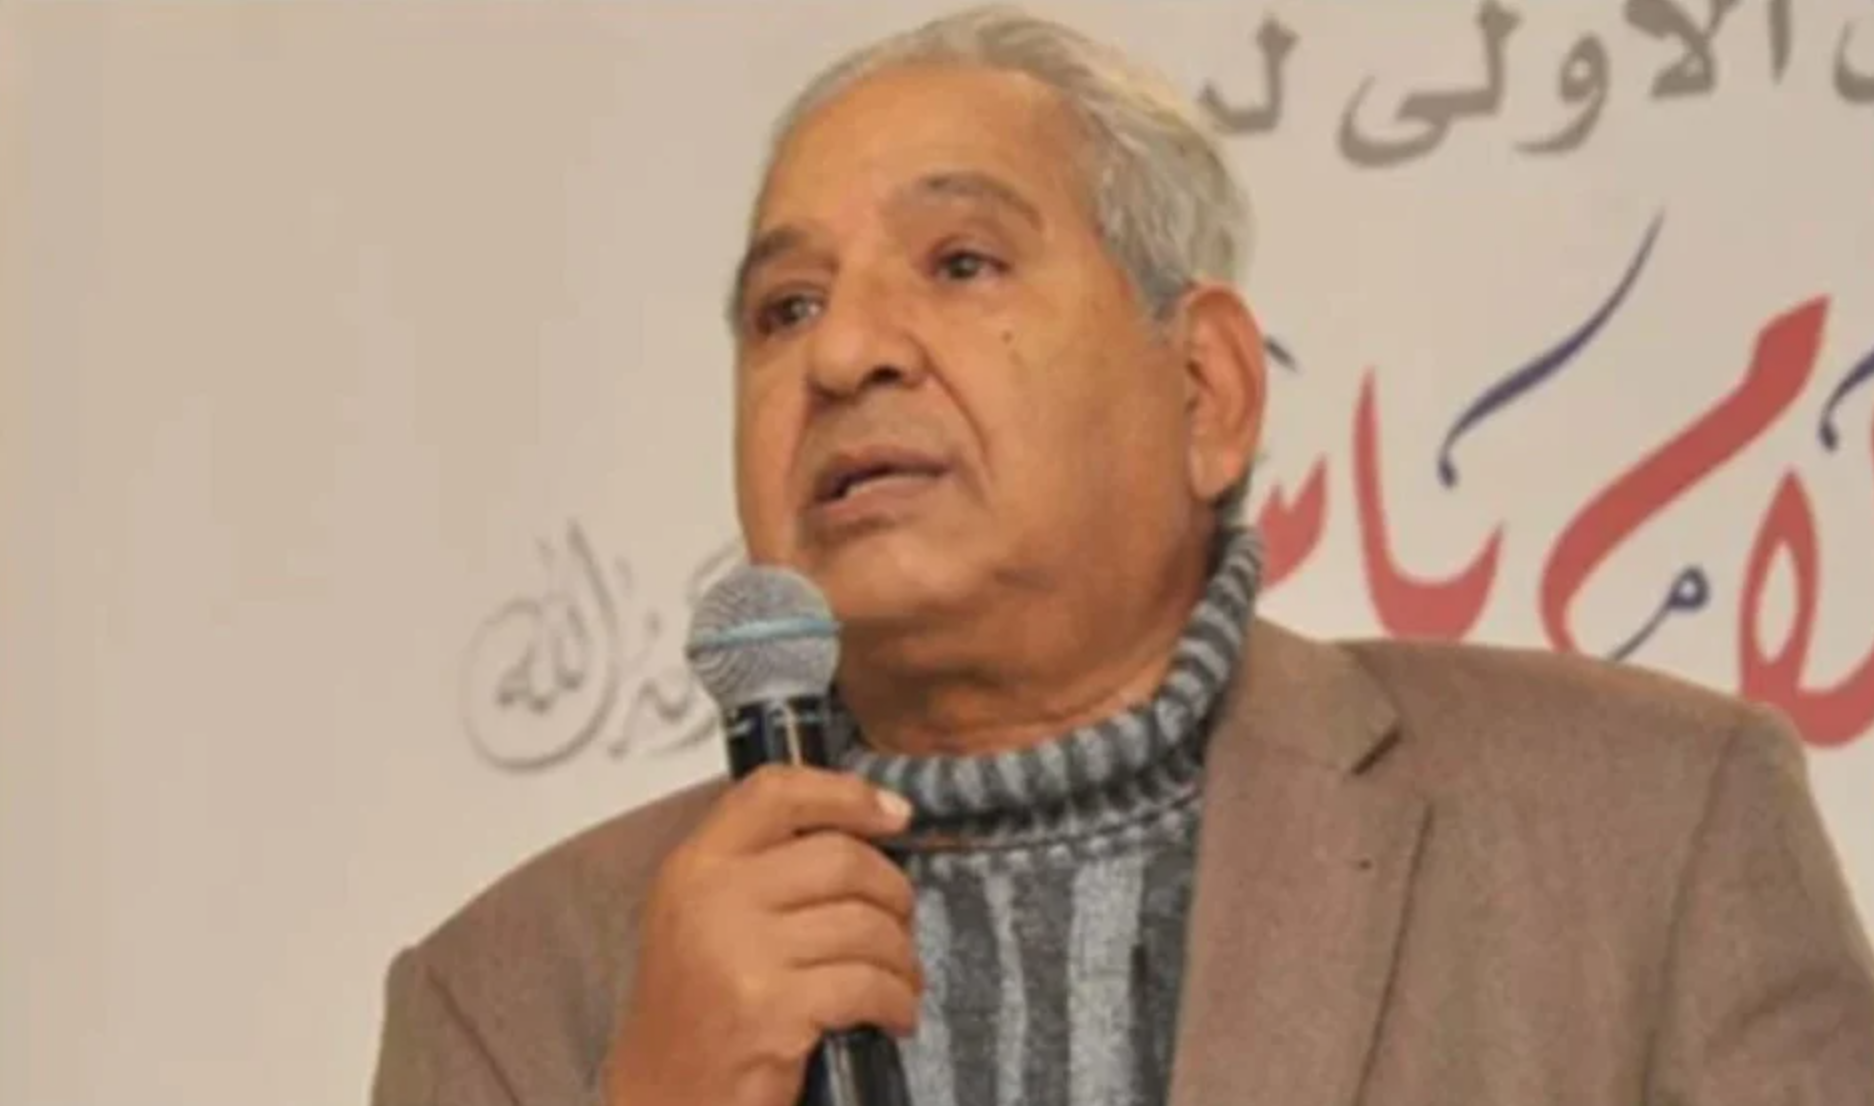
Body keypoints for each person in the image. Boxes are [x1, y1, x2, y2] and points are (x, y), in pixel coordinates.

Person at [369, 7, 1874, 1105]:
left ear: (1203, 390)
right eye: (786, 308)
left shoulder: (1648, 829)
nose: (843, 353)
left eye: (960, 262)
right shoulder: (509, 993)